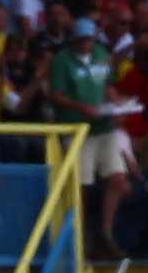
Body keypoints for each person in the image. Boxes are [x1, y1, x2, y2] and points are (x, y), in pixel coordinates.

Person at [49, 14, 133, 255]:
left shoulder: (99, 55)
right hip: (79, 129)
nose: (87, 43)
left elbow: (107, 83)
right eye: (83, 39)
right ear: (75, 39)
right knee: (82, 185)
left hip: (103, 126)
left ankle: (105, 233)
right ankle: (78, 235)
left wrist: (118, 102)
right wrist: (80, 107)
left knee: (118, 178)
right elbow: (55, 94)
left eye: (90, 39)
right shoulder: (62, 61)